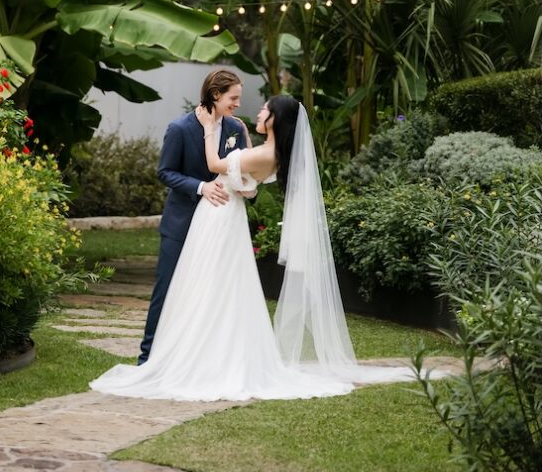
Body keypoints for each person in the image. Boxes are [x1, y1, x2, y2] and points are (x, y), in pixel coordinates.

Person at [90, 94, 414, 402]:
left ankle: (199, 357)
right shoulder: (269, 152)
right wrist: (243, 145)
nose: (256, 112)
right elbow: (246, 180)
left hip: (219, 220)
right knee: (224, 288)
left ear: (275, 119)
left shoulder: (263, 153)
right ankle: (201, 352)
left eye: (264, 109)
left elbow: (217, 164)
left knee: (209, 287)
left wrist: (207, 130)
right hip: (226, 218)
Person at [136, 69, 249, 366]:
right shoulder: (180, 128)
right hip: (181, 224)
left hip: (218, 226)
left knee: (209, 292)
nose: (238, 104)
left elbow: (242, 171)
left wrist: (247, 189)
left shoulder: (236, 129)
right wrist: (201, 187)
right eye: (233, 98)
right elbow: (165, 172)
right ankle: (147, 358)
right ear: (215, 95)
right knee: (167, 288)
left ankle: (196, 357)